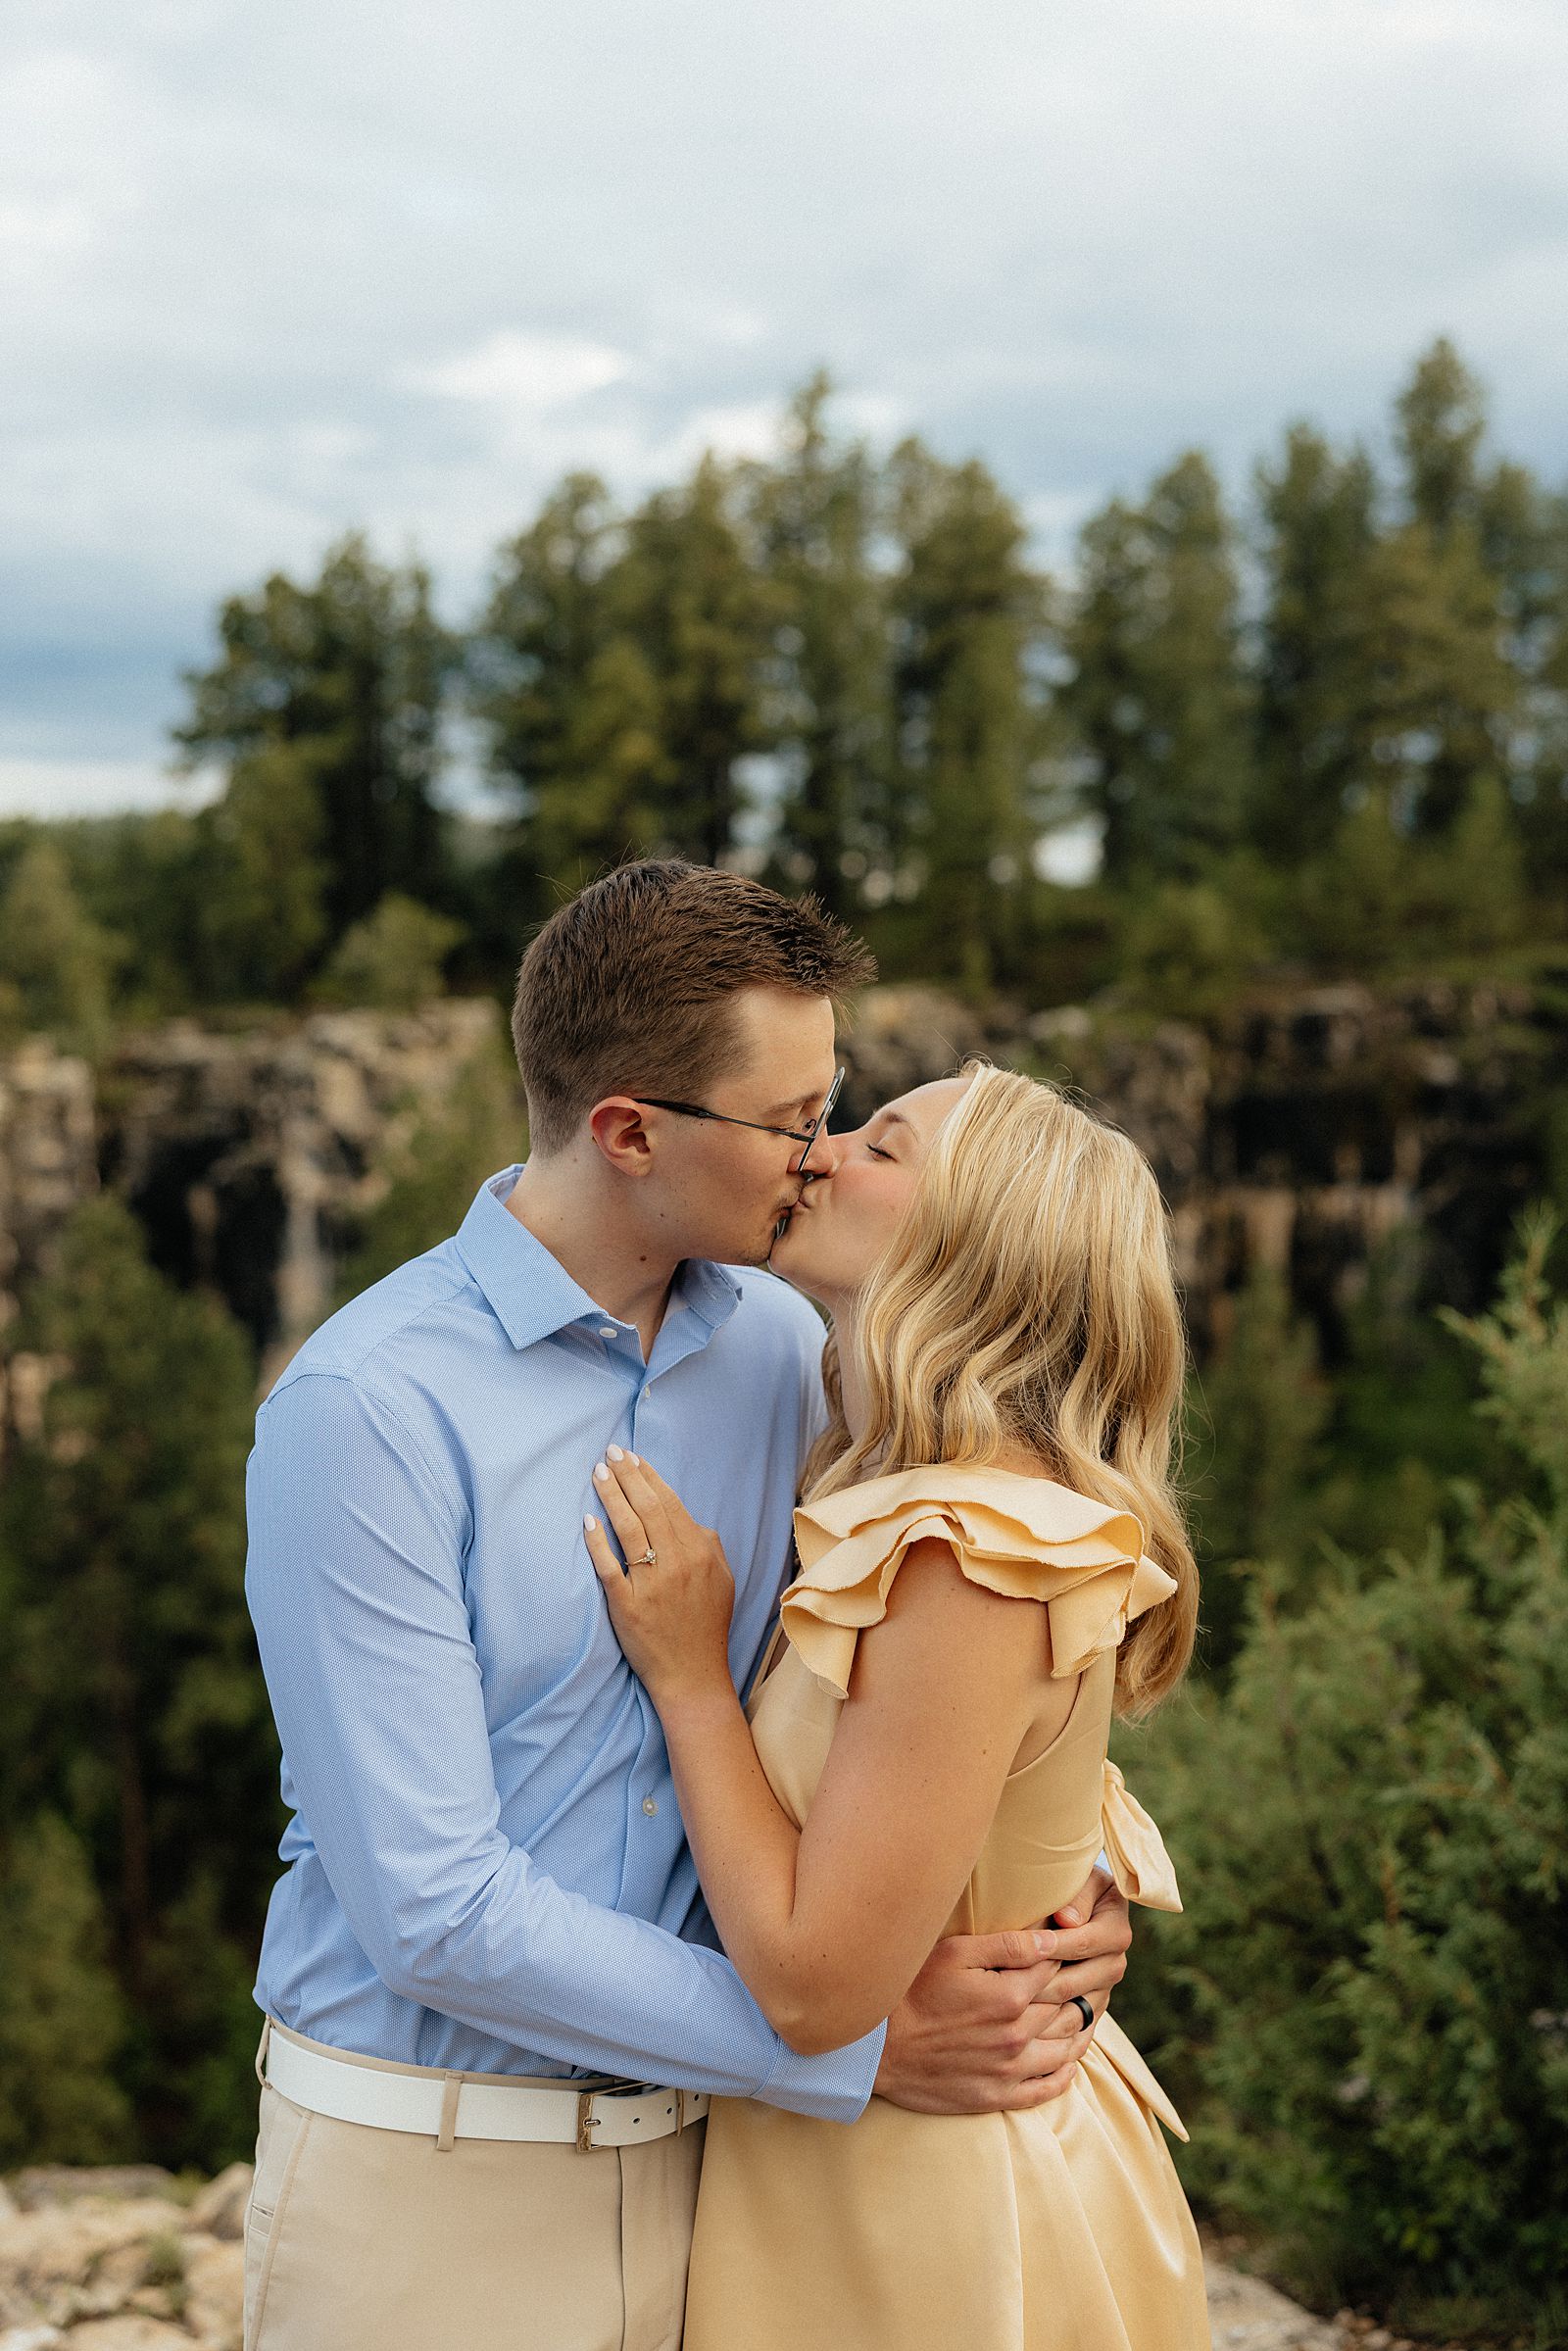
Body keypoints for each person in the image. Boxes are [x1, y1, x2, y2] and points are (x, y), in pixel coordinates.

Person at [240, 861, 1137, 2351]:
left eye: (835, 1109)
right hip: (434, 2178)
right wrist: (850, 2050)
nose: (820, 1156)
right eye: (793, 1123)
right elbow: (437, 1914)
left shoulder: (794, 1348)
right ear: (630, 1131)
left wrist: (1056, 1896)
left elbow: (936, 1666)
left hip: (729, 2185)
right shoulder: (369, 1409)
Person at [585, 1059, 1209, 2351]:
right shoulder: (942, 1508)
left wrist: (692, 1678)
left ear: (974, 1234)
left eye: (881, 1143)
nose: (815, 1152)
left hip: (928, 2221)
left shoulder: (968, 1552)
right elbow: (1000, 1773)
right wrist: (1069, 1881)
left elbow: (815, 1995)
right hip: (868, 2172)